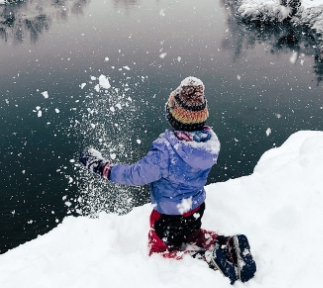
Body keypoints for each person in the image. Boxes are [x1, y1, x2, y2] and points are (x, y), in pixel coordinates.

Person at [79, 76, 255, 284]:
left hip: (168, 217)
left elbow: (135, 175)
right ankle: (225, 243)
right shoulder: (210, 142)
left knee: (159, 254)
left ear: (175, 117)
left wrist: (104, 167)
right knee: (192, 235)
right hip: (195, 207)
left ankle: (202, 258)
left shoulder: (166, 151)